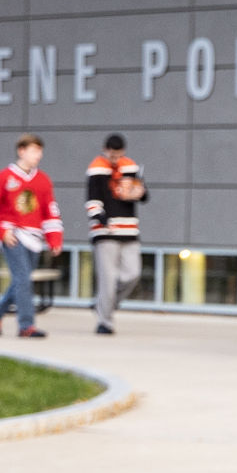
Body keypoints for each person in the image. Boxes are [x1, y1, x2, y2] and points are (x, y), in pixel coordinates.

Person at [0, 134, 63, 339]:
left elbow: (50, 211)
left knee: (19, 282)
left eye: (40, 151)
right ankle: (27, 325)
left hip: (34, 238)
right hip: (13, 236)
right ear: (21, 151)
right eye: (34, 150)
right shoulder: (4, 177)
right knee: (23, 280)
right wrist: (1, 231)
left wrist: (54, 238)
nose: (38, 155)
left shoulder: (43, 180)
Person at [84, 133, 148, 336]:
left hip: (129, 229)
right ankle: (105, 322)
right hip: (105, 231)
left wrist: (140, 192)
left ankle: (103, 305)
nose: (114, 159)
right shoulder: (96, 167)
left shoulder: (130, 166)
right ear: (105, 149)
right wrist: (101, 219)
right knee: (107, 279)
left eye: (118, 154)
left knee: (132, 274)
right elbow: (92, 198)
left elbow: (142, 193)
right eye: (112, 154)